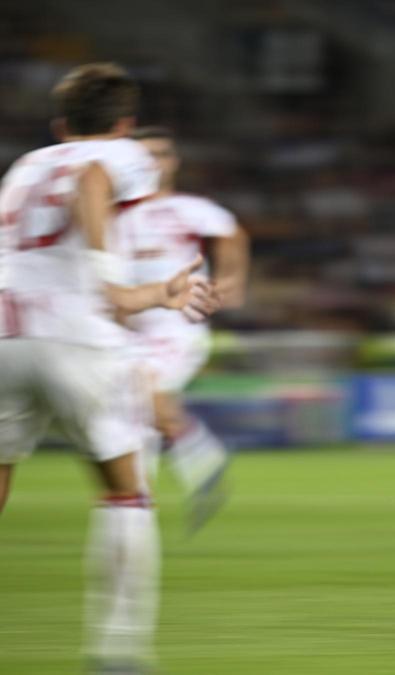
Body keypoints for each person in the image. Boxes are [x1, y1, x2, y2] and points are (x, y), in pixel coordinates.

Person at [0, 62, 216, 673]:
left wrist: (148, 295)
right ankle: (119, 652)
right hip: (76, 341)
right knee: (126, 492)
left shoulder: (24, 166)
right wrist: (116, 286)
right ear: (124, 124)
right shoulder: (120, 156)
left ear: (60, 123)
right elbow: (92, 180)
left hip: (5, 333)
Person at [115, 126, 250, 532]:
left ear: (173, 162)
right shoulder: (109, 213)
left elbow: (233, 244)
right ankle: (138, 503)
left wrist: (227, 287)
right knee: (132, 417)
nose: (152, 163)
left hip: (175, 326)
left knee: (145, 393)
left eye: (160, 154)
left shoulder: (192, 209)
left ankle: (202, 455)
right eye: (144, 156)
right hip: (126, 328)